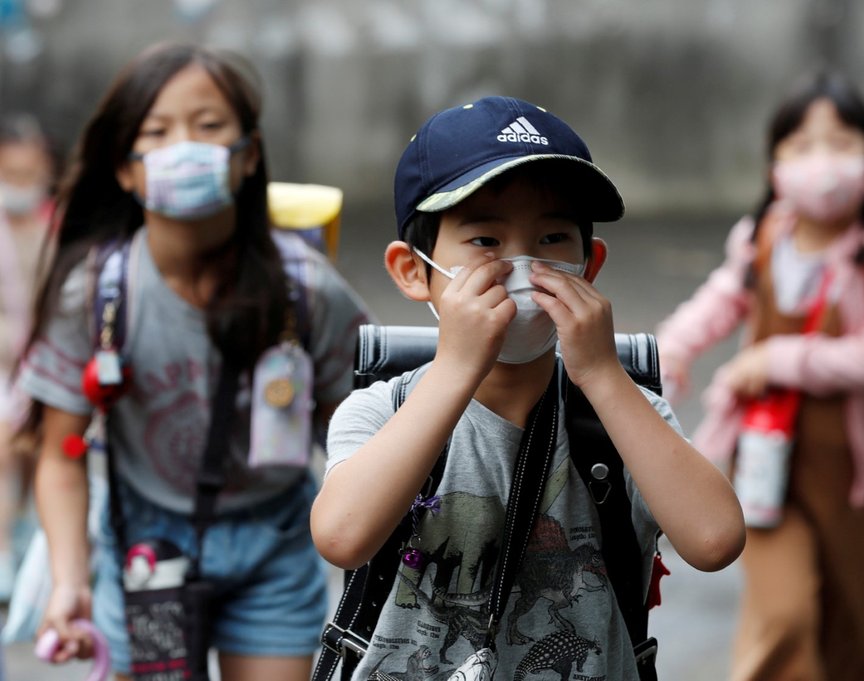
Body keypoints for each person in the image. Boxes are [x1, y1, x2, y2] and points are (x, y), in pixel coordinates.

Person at [310, 95, 746, 680]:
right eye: (486, 241)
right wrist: (458, 367)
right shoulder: (381, 410)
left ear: (589, 266)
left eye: (551, 240)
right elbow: (342, 536)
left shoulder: (622, 416)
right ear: (414, 271)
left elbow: (716, 540)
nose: (521, 266)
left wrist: (600, 372)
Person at [16, 42, 371, 680]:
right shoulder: (94, 295)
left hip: (274, 546)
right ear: (125, 168)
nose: (184, 145)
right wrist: (69, 580)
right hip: (147, 552)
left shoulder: (307, 292)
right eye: (156, 131)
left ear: (249, 155)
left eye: (208, 126)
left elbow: (357, 438)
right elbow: (60, 454)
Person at [655, 71, 864, 681]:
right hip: (762, 461)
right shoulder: (763, 235)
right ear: (775, 163)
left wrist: (772, 359)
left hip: (850, 470)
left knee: (849, 620)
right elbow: (719, 301)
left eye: (840, 141)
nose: (822, 163)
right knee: (783, 618)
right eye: (802, 145)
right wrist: (668, 351)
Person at [0, 113, 56, 602]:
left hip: (46, 363)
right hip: (3, 367)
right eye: (10, 176)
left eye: (29, 175)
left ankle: (44, 552)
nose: (21, 187)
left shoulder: (55, 227)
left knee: (50, 448)